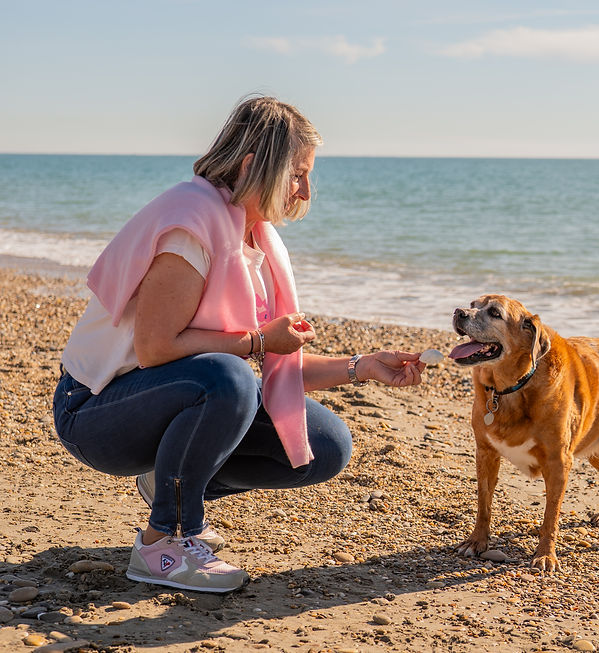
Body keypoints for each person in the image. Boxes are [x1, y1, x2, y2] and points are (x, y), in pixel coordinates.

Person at [51, 96, 425, 594]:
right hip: (94, 410)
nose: (305, 190)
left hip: (169, 398)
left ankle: (170, 486)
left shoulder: (252, 237)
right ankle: (163, 544)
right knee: (228, 379)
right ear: (252, 167)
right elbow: (158, 348)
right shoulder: (191, 225)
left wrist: (363, 366)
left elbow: (272, 360)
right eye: (297, 174)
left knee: (325, 445)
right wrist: (258, 341)